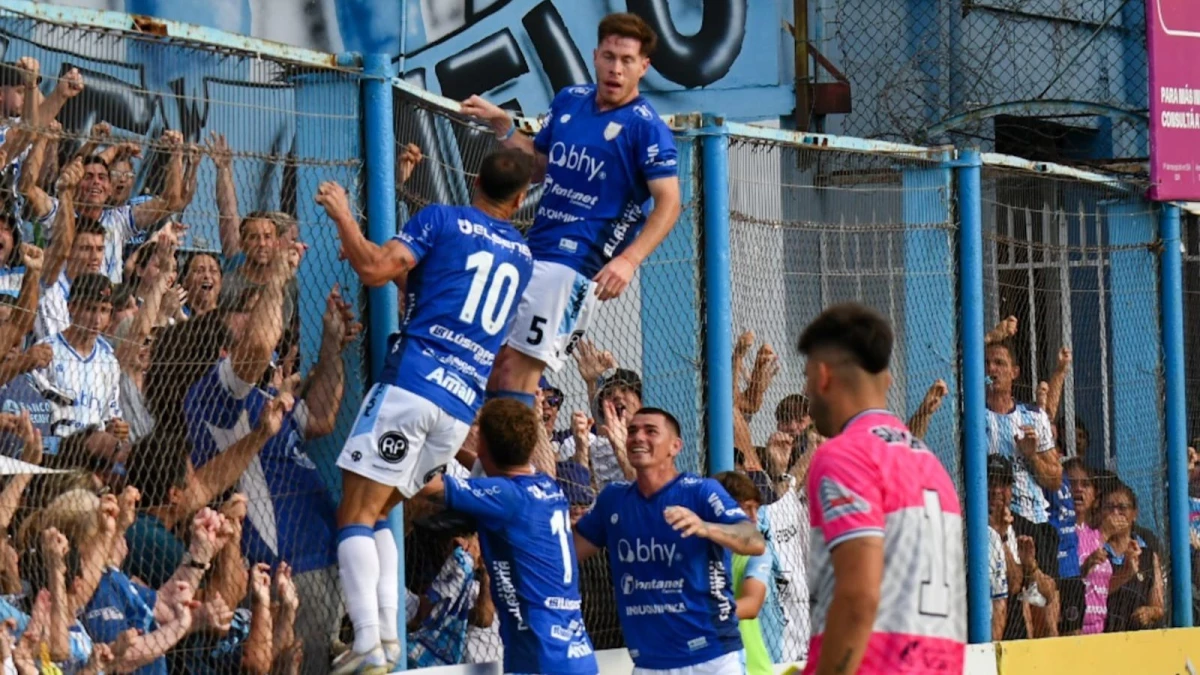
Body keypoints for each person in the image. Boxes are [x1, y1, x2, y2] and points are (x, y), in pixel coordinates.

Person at [318, 148, 535, 674]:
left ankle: (369, 639)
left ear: (474, 180)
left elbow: (374, 269)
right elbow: (432, 288)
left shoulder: (443, 218)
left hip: (413, 385)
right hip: (460, 405)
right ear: (522, 198)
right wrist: (370, 249)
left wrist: (343, 214)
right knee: (385, 511)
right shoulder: (522, 256)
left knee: (354, 513)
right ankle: (387, 639)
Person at [461, 12, 682, 403]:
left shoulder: (646, 127)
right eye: (610, 57)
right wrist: (504, 127)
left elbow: (670, 202)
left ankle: (516, 465)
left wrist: (629, 261)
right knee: (494, 367)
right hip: (534, 251)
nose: (616, 69)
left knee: (518, 375)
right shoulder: (570, 101)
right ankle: (497, 464)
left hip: (575, 265)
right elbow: (540, 168)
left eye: (627, 61)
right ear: (595, 56)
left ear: (643, 67)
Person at [797, 303, 965, 674]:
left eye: (807, 378)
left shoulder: (843, 455)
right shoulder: (930, 464)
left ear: (823, 377)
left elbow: (858, 596)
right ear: (886, 381)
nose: (807, 393)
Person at [573, 407, 765, 674]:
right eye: (632, 431)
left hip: (712, 658)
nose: (638, 437)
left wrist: (706, 527)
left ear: (675, 446)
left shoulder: (701, 491)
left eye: (650, 431)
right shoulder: (613, 500)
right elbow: (566, 556)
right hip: (649, 664)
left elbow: (754, 541)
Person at [423, 398, 598, 675]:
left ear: (483, 444)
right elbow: (487, 469)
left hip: (539, 659)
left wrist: (422, 433)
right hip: (572, 655)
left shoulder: (505, 496)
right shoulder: (545, 485)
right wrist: (457, 449)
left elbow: (428, 487)